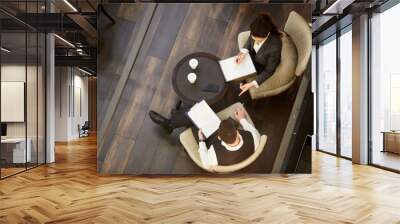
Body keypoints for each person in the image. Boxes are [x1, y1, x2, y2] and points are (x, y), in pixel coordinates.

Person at [149, 106, 260, 168]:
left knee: (194, 119)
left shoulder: (214, 156)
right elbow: (250, 128)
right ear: (237, 131)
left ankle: (171, 123)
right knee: (195, 114)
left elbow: (206, 163)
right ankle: (177, 117)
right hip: (231, 148)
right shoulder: (254, 137)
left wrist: (201, 141)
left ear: (219, 137)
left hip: (210, 144)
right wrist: (242, 119)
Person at [235, 13, 282, 96]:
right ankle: (242, 79)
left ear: (267, 34)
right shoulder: (256, 31)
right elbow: (250, 40)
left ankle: (243, 80)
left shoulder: (275, 47)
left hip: (262, 64)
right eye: (254, 37)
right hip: (254, 55)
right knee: (237, 67)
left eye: (259, 40)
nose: (255, 42)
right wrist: (244, 52)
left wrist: (252, 83)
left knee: (241, 76)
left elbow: (269, 71)